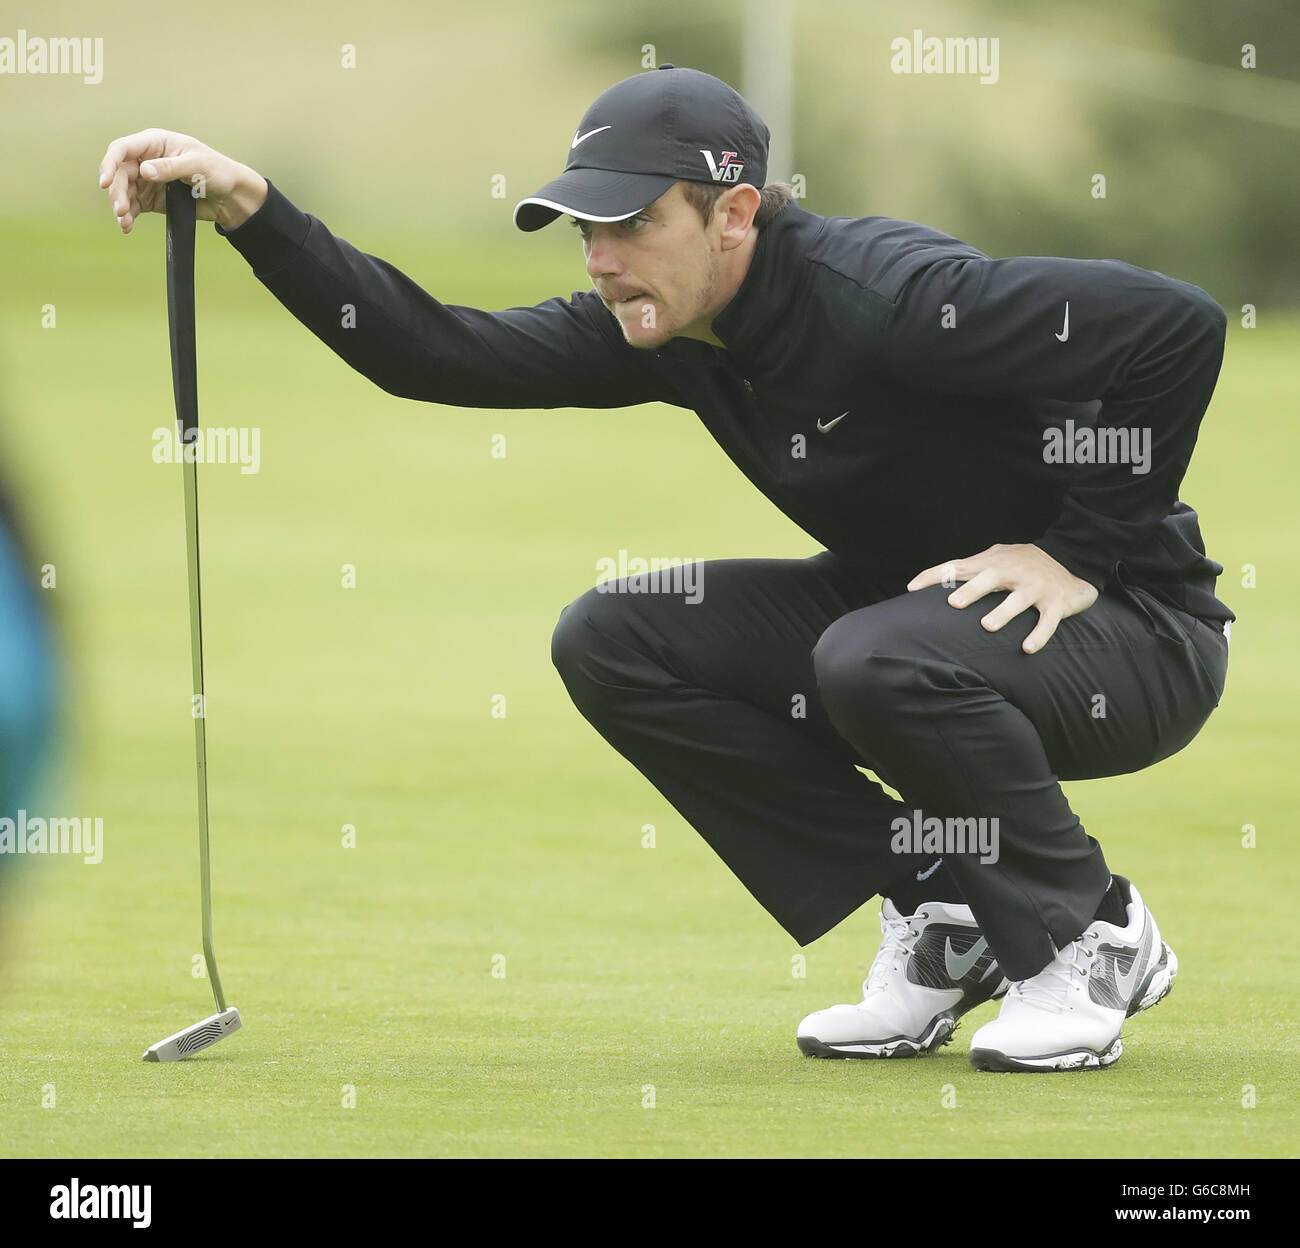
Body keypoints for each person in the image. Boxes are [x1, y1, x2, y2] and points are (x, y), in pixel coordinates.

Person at [98, 65, 1232, 1073]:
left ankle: (1091, 935)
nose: (600, 262)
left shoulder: (890, 298)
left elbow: (1173, 326)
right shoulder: (672, 324)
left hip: (1134, 639)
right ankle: (945, 908)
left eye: (631, 225)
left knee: (872, 654)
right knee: (619, 634)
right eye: (584, 231)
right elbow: (430, 351)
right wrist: (252, 209)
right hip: (922, 627)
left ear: (733, 213)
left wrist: (1078, 548)